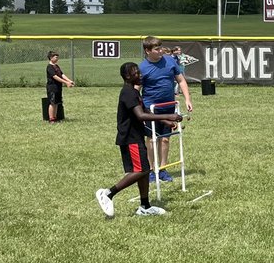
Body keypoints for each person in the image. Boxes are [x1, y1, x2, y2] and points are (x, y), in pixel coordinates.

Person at [95, 62, 183, 218]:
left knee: (144, 170)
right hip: (130, 138)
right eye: (136, 73)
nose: (140, 75)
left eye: (140, 72)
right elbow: (140, 116)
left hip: (136, 136)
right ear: (127, 76)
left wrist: (165, 122)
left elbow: (145, 110)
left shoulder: (134, 92)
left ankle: (145, 206)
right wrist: (168, 115)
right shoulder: (128, 93)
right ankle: (108, 193)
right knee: (140, 170)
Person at [139, 36, 193, 181]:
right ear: (147, 51)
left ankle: (163, 169)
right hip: (151, 110)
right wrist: (139, 109)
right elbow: (136, 89)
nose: (161, 51)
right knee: (151, 139)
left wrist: (187, 99)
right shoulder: (142, 68)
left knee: (165, 140)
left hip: (169, 107)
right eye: (157, 49)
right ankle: (151, 170)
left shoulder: (170, 61)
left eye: (161, 47)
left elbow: (181, 80)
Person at [45, 51, 74, 123]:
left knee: (57, 102)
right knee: (52, 102)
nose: (57, 59)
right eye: (56, 57)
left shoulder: (56, 66)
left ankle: (55, 117)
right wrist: (66, 82)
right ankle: (51, 119)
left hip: (58, 87)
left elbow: (62, 74)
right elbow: (55, 77)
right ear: (51, 58)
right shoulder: (49, 67)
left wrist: (69, 81)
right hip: (52, 87)